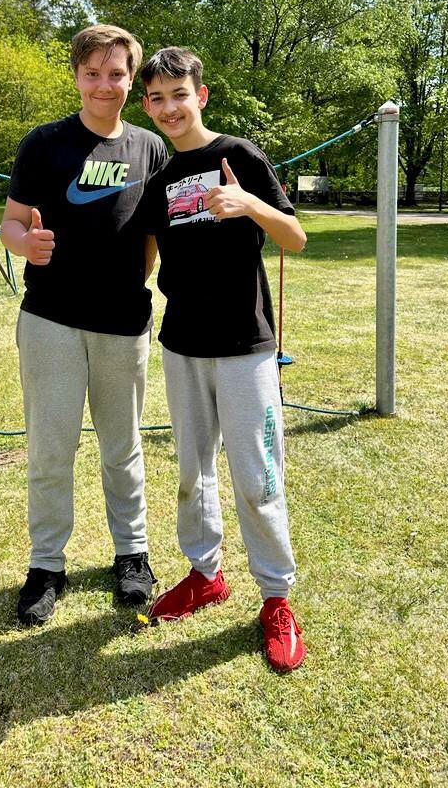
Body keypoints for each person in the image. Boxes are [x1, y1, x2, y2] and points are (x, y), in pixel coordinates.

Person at [139, 46, 308, 672]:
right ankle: (205, 575)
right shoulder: (159, 181)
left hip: (244, 346)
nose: (169, 108)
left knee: (258, 477)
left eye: (179, 95)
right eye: (157, 98)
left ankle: (276, 599)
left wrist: (250, 205)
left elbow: (296, 237)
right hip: (182, 345)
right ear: (147, 105)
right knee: (193, 471)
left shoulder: (240, 156)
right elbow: (145, 259)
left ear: (200, 96)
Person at [0, 24, 167, 625]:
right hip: (51, 321)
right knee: (52, 448)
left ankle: (132, 555)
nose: (104, 85)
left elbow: (152, 237)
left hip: (123, 323)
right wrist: (26, 245)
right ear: (76, 76)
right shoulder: (44, 143)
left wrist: (137, 280)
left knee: (123, 446)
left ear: (132, 80)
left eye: (116, 73)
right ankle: (47, 565)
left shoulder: (151, 149)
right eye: (92, 72)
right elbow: (11, 221)